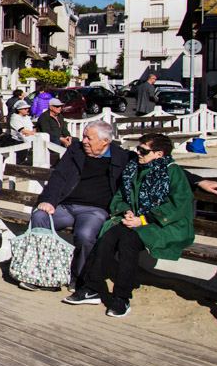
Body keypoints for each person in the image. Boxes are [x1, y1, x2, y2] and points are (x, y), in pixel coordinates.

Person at [66, 133, 195, 317]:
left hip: (163, 225)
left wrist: (143, 220)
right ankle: (91, 287)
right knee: (109, 236)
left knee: (128, 240)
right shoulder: (133, 167)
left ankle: (122, 297)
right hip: (133, 219)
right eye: (138, 149)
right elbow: (120, 196)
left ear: (159, 154)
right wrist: (126, 211)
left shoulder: (171, 171)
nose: (139, 153)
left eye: (143, 150)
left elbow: (179, 204)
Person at [23, 121, 129, 291]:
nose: (84, 141)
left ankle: (80, 277)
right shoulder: (75, 150)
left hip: (95, 210)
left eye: (89, 138)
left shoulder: (121, 157)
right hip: (66, 205)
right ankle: (43, 274)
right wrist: (49, 200)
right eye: (84, 137)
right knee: (40, 216)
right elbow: (59, 177)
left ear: (105, 141)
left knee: (85, 235)